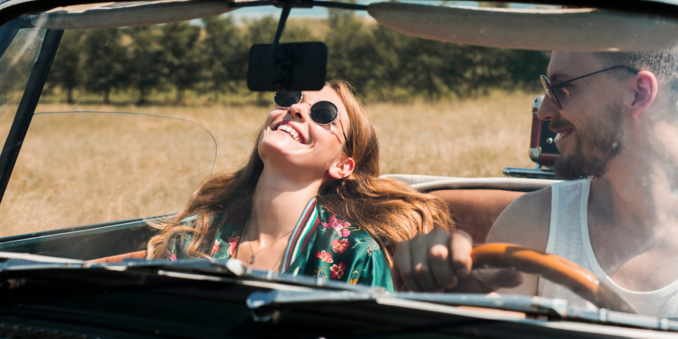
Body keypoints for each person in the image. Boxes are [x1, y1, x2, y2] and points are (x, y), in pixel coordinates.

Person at [393, 34, 678, 329]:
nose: (545, 111)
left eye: (563, 88)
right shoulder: (535, 223)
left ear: (639, 93)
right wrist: (452, 301)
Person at [147, 79, 452, 291]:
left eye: (323, 115)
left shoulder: (354, 255)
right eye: (289, 98)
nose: (296, 109)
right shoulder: (194, 235)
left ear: (342, 165)